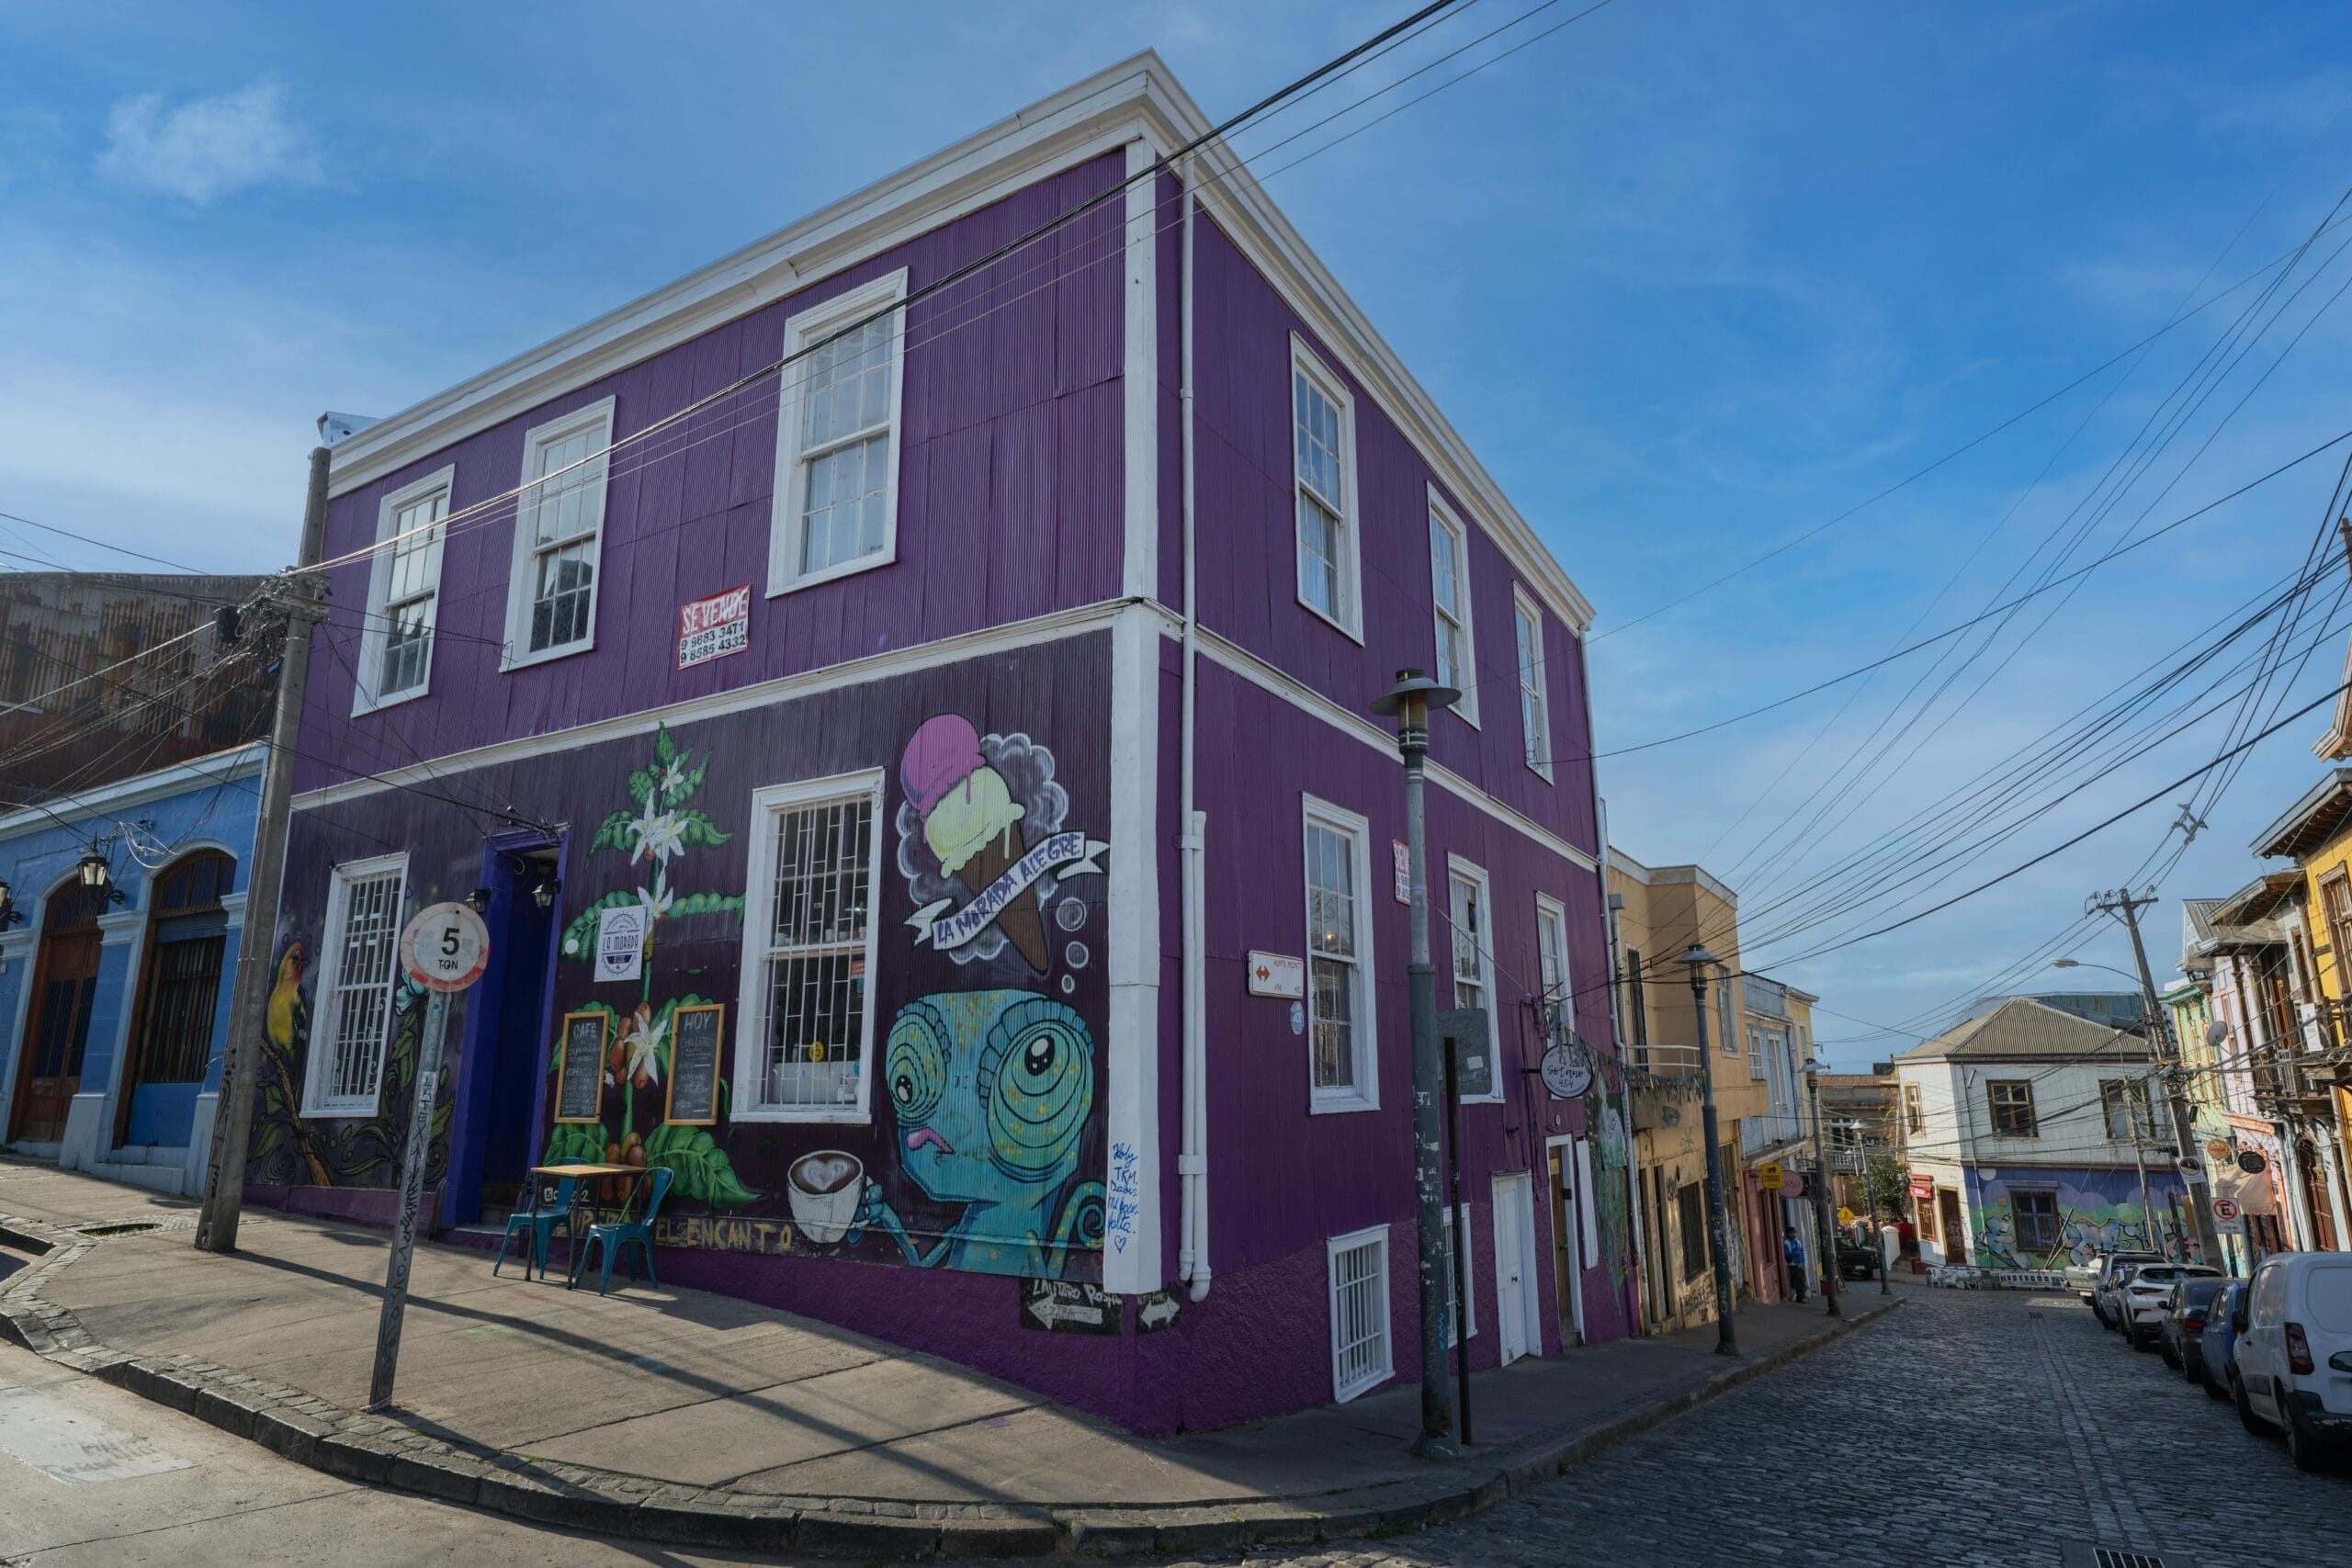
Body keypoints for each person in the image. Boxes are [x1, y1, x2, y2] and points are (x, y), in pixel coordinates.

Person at [1783, 1224, 1808, 1302]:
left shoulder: (1797, 1241)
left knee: (1802, 1280)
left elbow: (1801, 1251)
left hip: (1799, 1263)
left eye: (1794, 1232)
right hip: (1793, 1264)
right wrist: (1796, 1253)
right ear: (1788, 1234)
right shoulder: (1786, 1243)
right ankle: (1800, 1297)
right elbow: (1787, 1254)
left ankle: (1802, 1296)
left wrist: (1802, 1262)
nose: (1793, 1234)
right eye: (1791, 1233)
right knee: (1798, 1280)